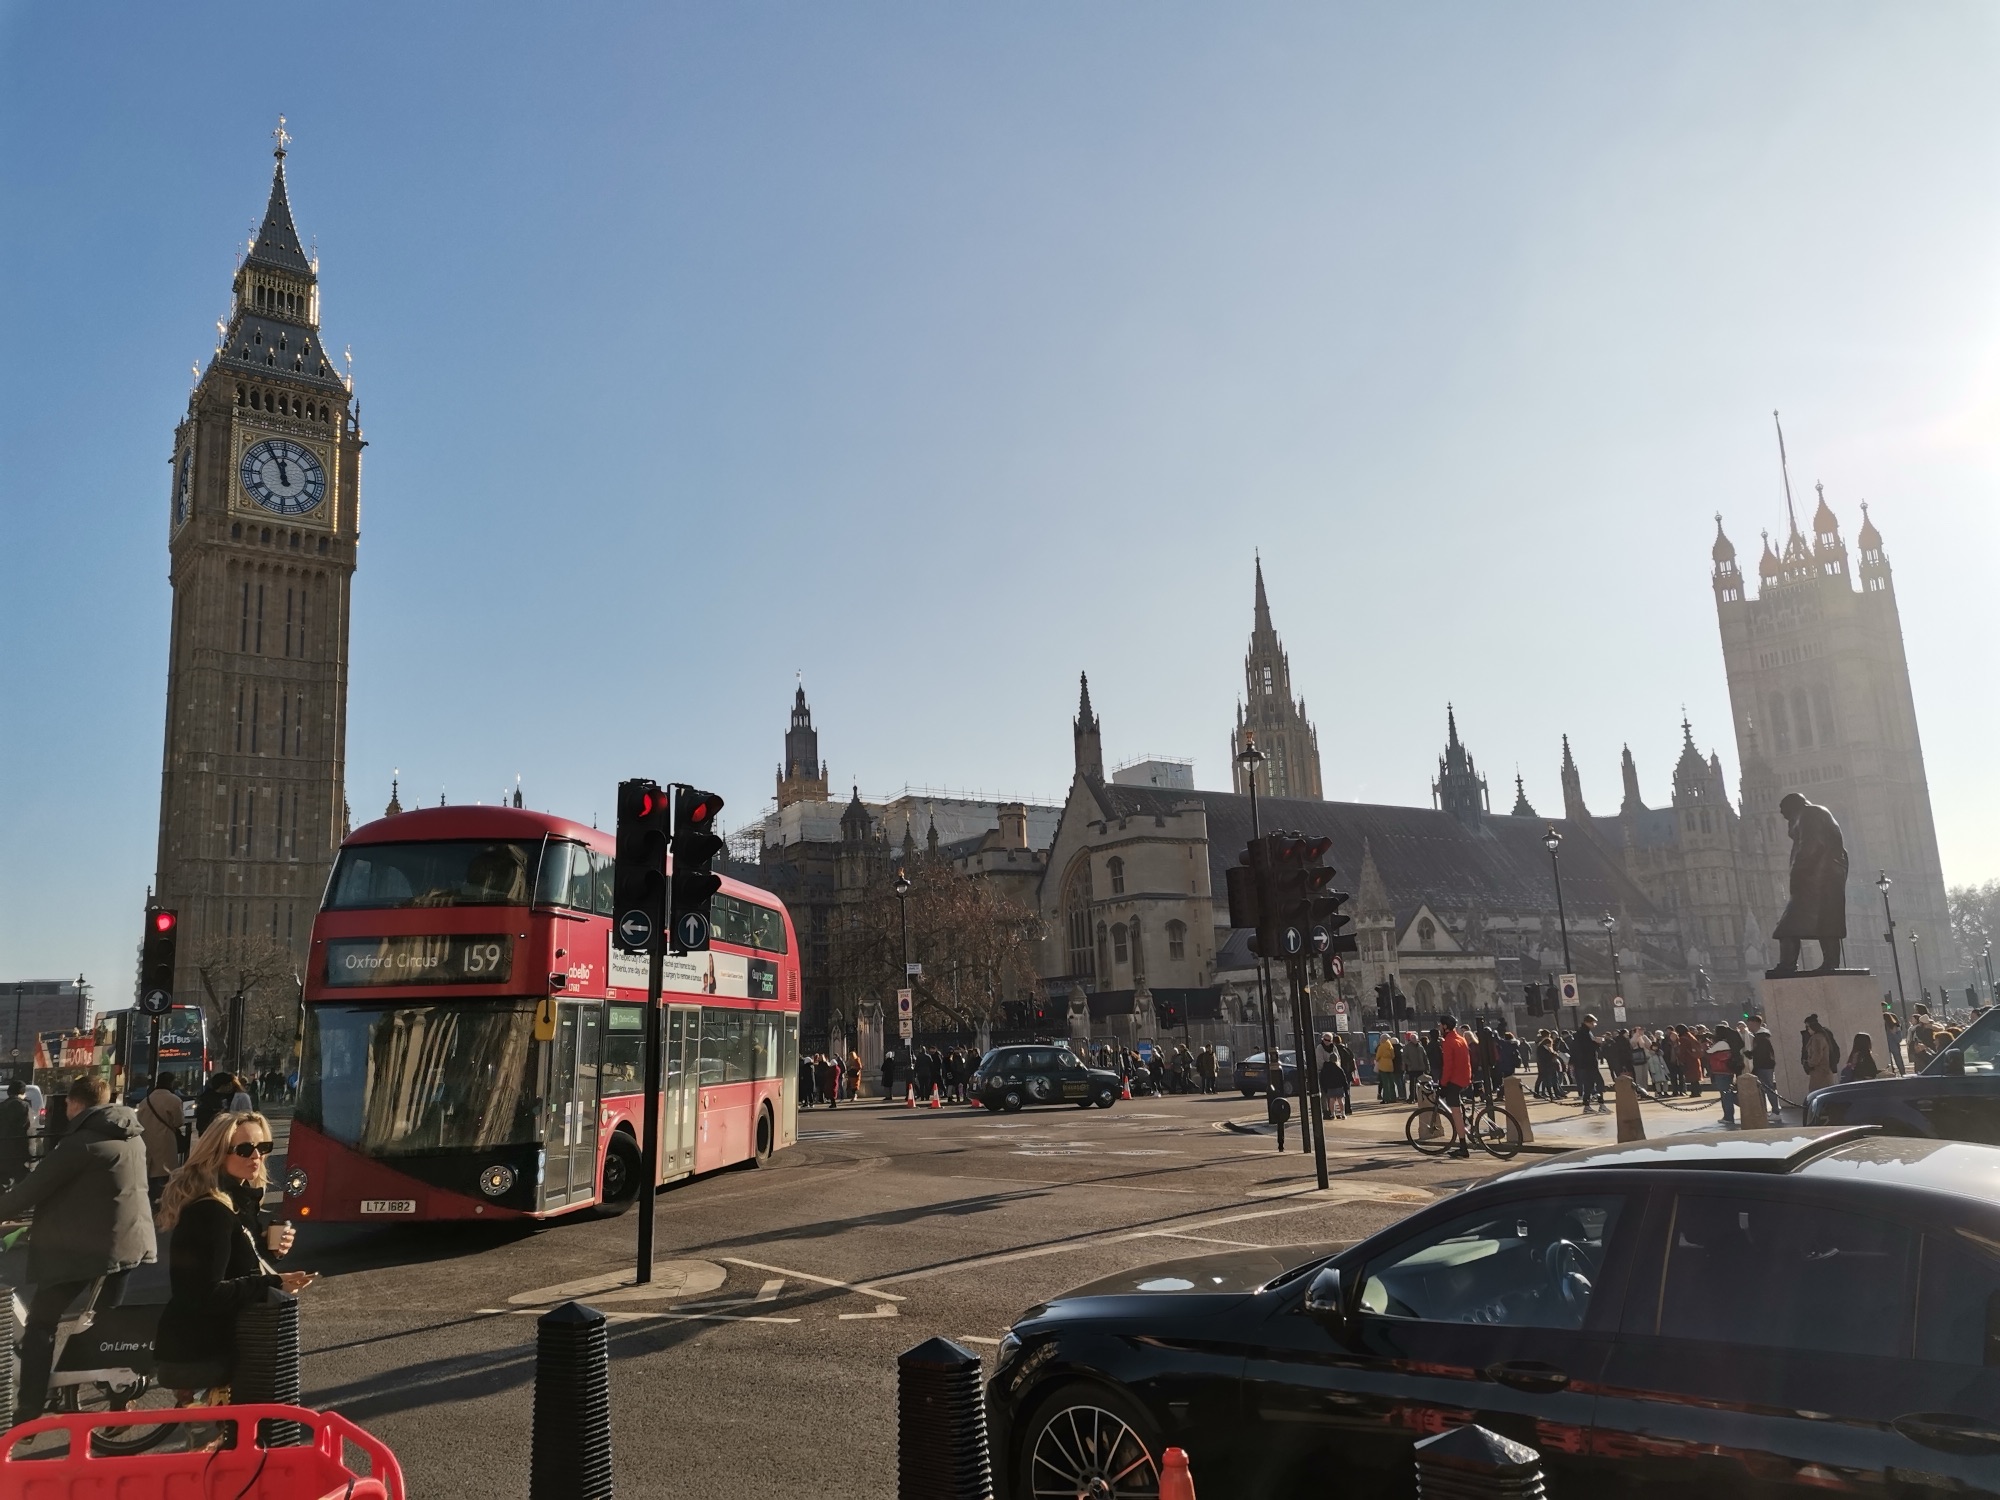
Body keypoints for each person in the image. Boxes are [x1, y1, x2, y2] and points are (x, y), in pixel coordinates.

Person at [0, 1075, 156, 1427]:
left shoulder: (81, 1143)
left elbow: (31, 1190)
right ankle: (116, 1401)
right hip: (128, 1243)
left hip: (87, 1250)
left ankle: (30, 1409)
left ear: (74, 1103)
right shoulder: (132, 1136)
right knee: (102, 1323)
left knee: (42, 1323)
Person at [154, 1112, 315, 1403]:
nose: (256, 1156)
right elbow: (204, 1293)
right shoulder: (211, 1211)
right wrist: (273, 1283)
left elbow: (236, 1268)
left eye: (263, 1147)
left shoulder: (238, 1201)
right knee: (223, 1432)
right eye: (244, 1149)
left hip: (223, 1345)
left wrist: (268, 1252)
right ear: (217, 1153)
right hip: (204, 1351)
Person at [138, 1071, 185, 1202]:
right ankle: (163, 1200)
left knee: (150, 1172)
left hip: (147, 1140)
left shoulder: (145, 1101)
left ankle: (150, 1200)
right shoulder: (174, 1100)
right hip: (165, 1141)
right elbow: (179, 1122)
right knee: (165, 1172)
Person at [1435, 1015, 1473, 1158]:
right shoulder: (1461, 1039)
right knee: (1458, 1109)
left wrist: (1443, 1083)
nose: (1439, 1027)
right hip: (1464, 1078)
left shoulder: (1448, 1042)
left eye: (1440, 1025)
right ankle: (1466, 1121)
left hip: (1455, 1080)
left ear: (1445, 1027)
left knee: (1455, 1114)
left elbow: (1448, 1066)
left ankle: (1463, 1147)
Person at [1708, 1023, 1746, 1127]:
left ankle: (1729, 1117)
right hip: (1726, 1072)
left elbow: (1708, 1052)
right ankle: (1731, 1114)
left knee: (1726, 1095)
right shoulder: (1728, 1042)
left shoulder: (1721, 1043)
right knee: (1727, 1094)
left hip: (1721, 1072)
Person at [1747, 1015, 1781, 1123]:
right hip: (1764, 1065)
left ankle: (1775, 1112)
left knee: (1768, 1088)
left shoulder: (1761, 1037)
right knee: (1765, 1088)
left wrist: (1755, 1065)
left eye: (1749, 1024)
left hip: (1764, 1066)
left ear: (1755, 1023)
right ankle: (1768, 1111)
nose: (1748, 1027)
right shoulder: (1761, 1036)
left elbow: (1763, 1054)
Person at [1570, 1016, 1605, 1114]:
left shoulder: (1581, 1033)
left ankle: (1587, 1105)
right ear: (1588, 1022)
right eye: (1594, 1022)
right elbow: (1588, 1047)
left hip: (1583, 1063)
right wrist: (1598, 1043)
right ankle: (1601, 1104)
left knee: (1588, 1085)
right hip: (1589, 1062)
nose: (1595, 1025)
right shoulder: (1585, 1033)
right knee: (1599, 1083)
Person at [0, 1081, 30, 1190]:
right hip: (18, 1152)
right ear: (22, 1092)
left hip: (2, 1152)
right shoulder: (24, 1106)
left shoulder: (1, 1106)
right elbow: (29, 1131)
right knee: (23, 1183)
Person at [193, 1073, 240, 1139]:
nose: (231, 1087)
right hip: (211, 1133)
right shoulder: (209, 1100)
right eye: (229, 1085)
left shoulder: (206, 1096)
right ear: (223, 1086)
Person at [1374, 1033, 1400, 1103]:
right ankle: (1393, 1097)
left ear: (1383, 1039)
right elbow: (1393, 1056)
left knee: (1385, 1083)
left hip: (1383, 1065)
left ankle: (1386, 1098)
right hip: (1390, 1065)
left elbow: (1377, 1057)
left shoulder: (1381, 1046)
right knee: (1391, 1082)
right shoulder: (1390, 1046)